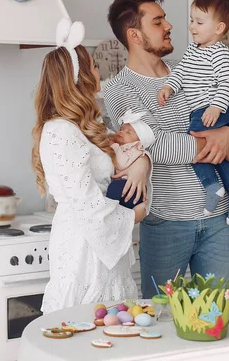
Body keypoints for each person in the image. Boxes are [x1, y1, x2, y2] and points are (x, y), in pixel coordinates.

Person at [103, 0, 229, 299]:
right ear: (135, 35)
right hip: (167, 224)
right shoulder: (118, 89)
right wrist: (222, 142)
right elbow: (158, 147)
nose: (170, 26)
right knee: (157, 319)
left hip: (221, 222)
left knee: (213, 321)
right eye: (158, 21)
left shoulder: (189, 69)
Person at [31, 18, 148, 314]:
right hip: (84, 247)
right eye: (94, 66)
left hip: (99, 242)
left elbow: (131, 150)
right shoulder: (60, 131)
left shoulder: (84, 127)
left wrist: (141, 165)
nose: (99, 71)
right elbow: (85, 202)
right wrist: (132, 217)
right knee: (83, 321)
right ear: (78, 77)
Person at [157, 0, 229, 225]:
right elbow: (180, 72)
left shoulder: (221, 54)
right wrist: (169, 86)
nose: (191, 27)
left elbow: (226, 83)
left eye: (199, 22)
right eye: (191, 20)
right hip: (205, 108)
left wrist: (216, 108)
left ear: (218, 28)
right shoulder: (192, 51)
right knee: (218, 152)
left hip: (217, 107)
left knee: (195, 140)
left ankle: (213, 187)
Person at [106, 109, 155, 209]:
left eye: (128, 133)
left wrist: (114, 146)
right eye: (122, 129)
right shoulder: (123, 148)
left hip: (130, 187)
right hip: (124, 186)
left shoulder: (135, 150)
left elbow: (121, 164)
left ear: (138, 142)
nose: (122, 132)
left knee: (114, 189)